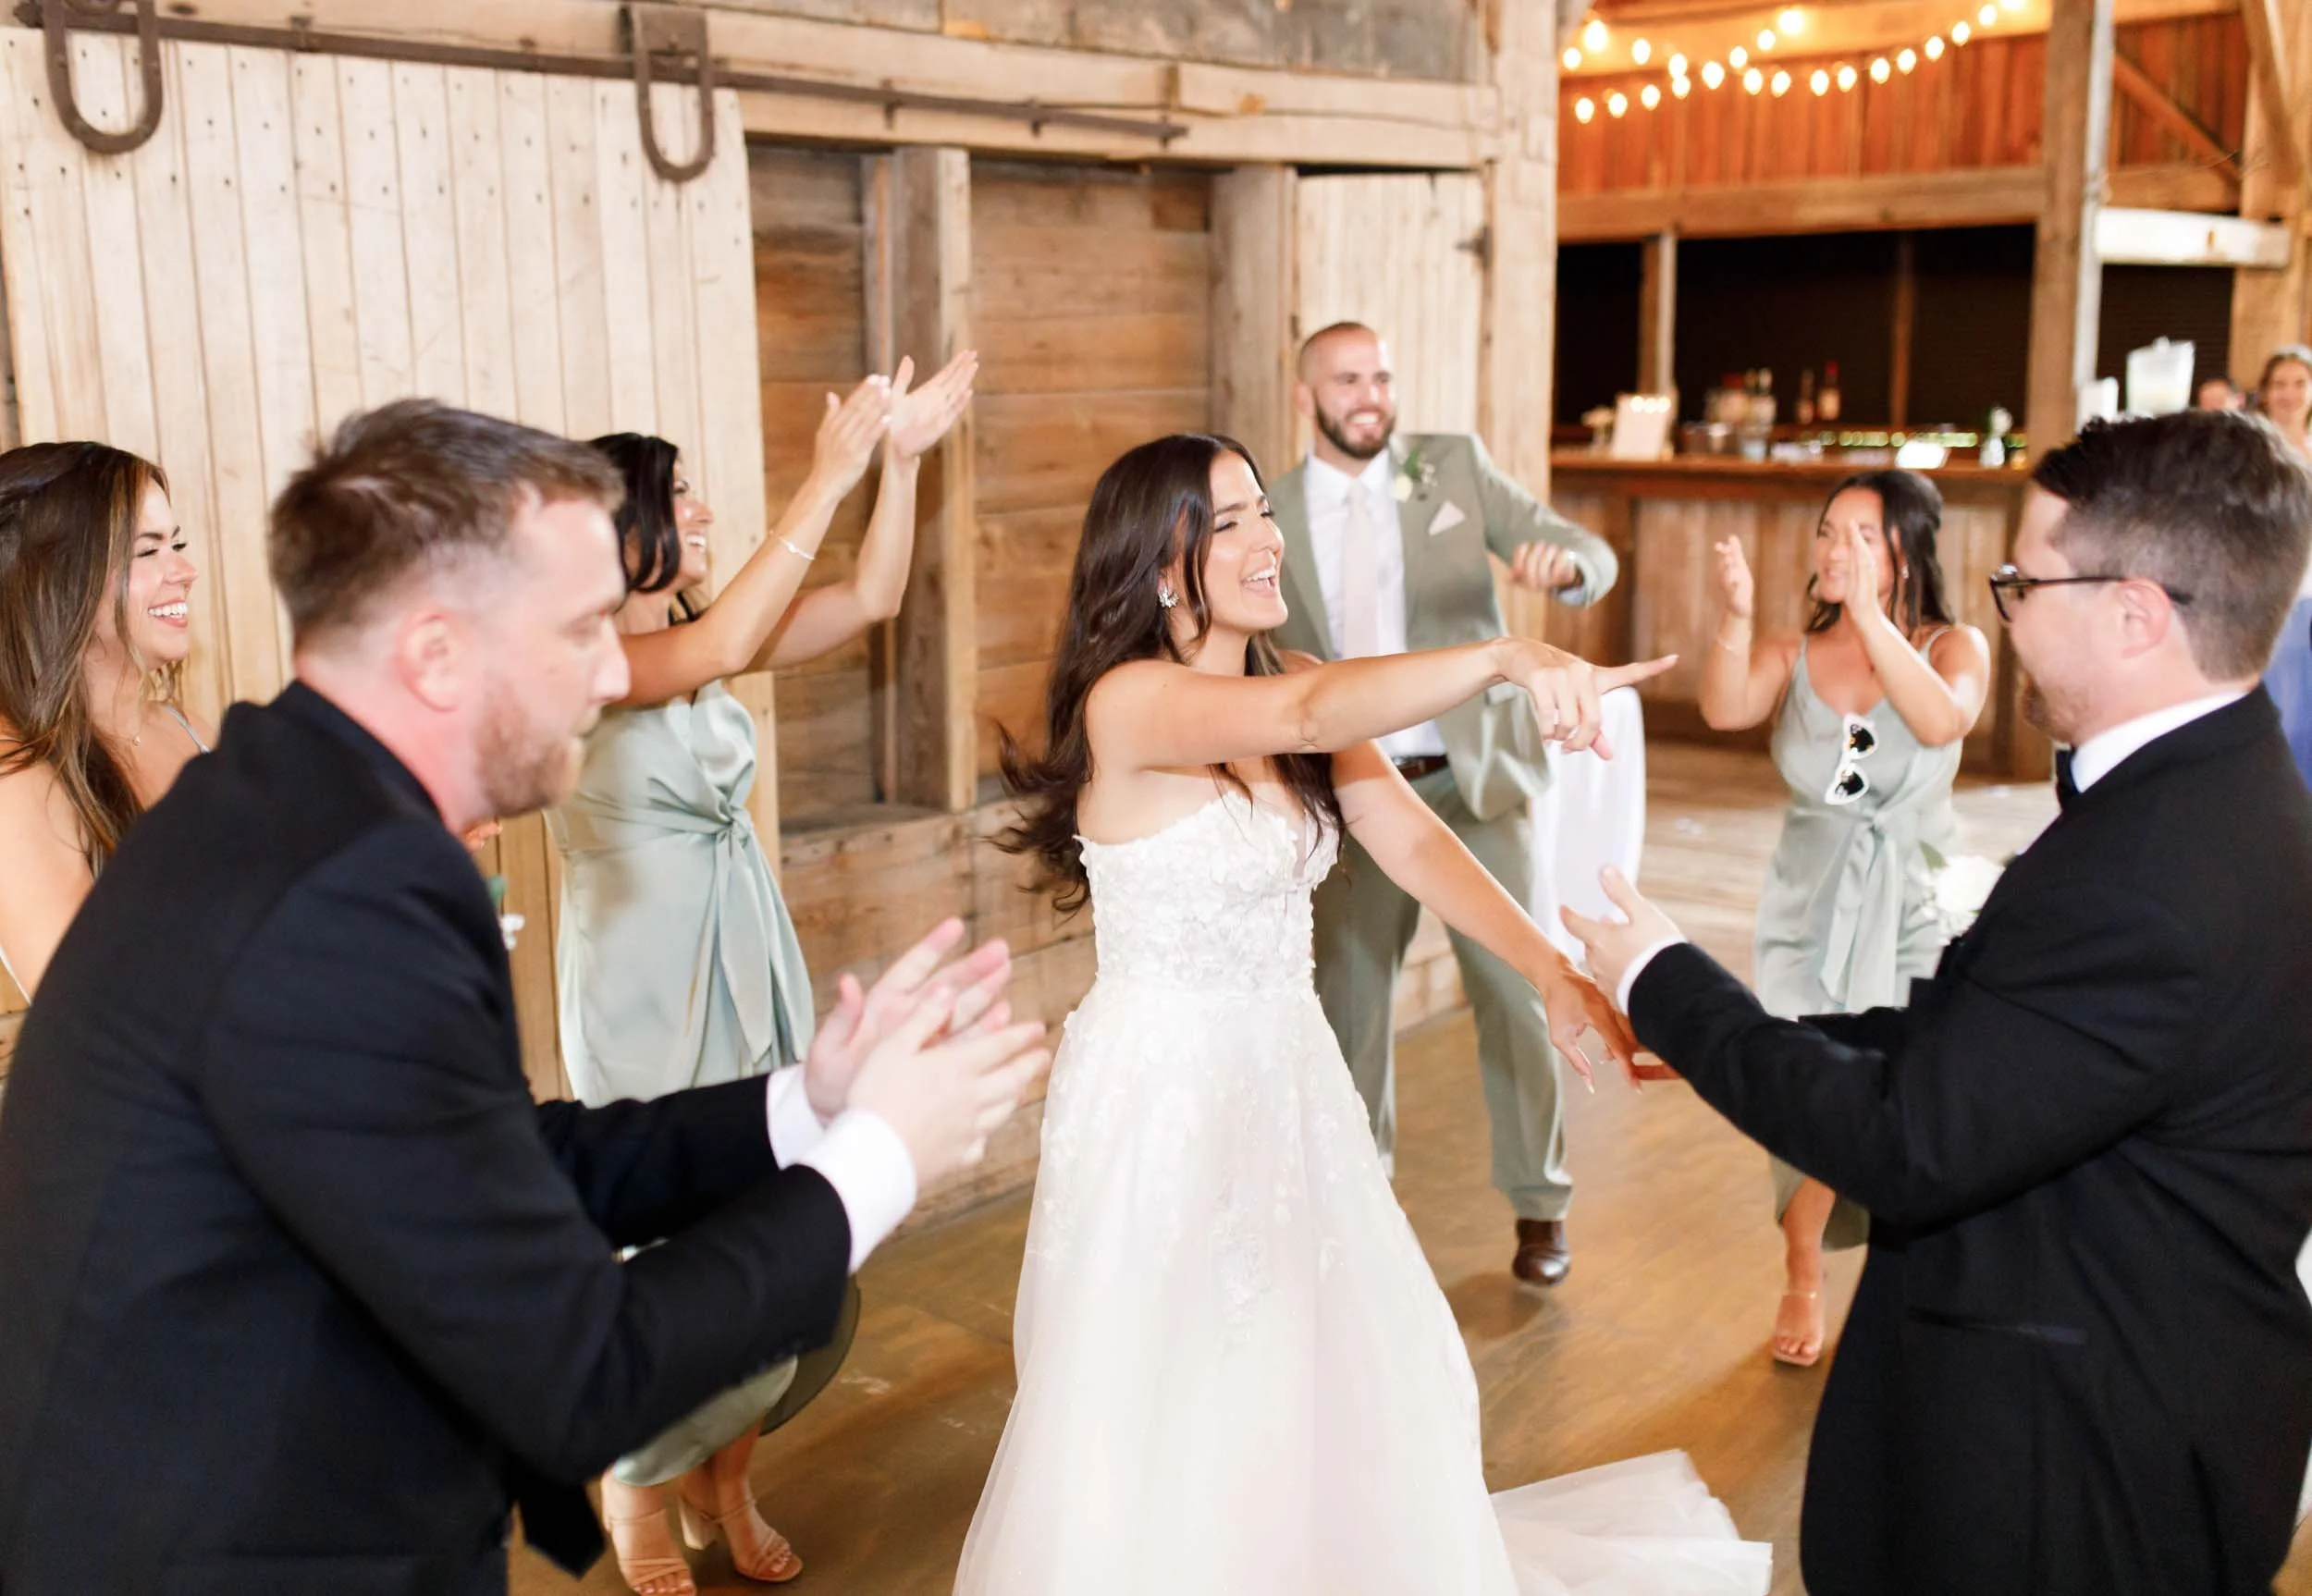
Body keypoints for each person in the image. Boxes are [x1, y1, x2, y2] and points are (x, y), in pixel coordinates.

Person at [0, 399, 1050, 1596]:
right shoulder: (335, 903)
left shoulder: (316, 822)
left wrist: (801, 1103)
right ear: (444, 652)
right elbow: (582, 1366)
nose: (617, 671)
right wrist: (881, 1158)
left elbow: (500, 1154)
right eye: (583, 627)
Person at [955, 433, 1767, 1595]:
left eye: (1259, 511)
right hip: (1164, 1095)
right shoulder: (1132, 701)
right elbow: (1311, 711)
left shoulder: (1284, 678)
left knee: (1327, 1357)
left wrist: (1551, 971)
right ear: (1159, 567)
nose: (1264, 535)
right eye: (1228, 518)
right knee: (1171, 1382)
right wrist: (1500, 652)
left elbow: (1406, 834)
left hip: (1289, 1072)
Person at [1566, 410, 2312, 1596]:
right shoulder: (2205, 800)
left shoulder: (2153, 875)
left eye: (2024, 581)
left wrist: (1663, 978)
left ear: (2135, 613)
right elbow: (1981, 1049)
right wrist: (1736, 1034)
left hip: (2078, 1467)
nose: (2005, 612)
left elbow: (1907, 1138)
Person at [556, 350, 975, 1595]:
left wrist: (896, 467)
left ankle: (723, 1474)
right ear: (616, 522)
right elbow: (737, 630)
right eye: (678, 497)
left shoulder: (693, 628)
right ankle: (633, 1478)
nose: (700, 512)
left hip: (745, 955)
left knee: (793, 1221)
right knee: (682, 1245)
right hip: (641, 984)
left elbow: (873, 597)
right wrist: (825, 472)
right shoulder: (580, 657)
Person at [1264, 321, 1620, 1286]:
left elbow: (1584, 548)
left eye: (1381, 374)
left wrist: (1568, 570)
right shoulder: (1273, 509)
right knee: (1350, 1006)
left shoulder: (1448, 468)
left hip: (1475, 781)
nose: (1371, 394)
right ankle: (1360, 1206)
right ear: (1306, 398)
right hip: (1352, 792)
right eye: (1347, 379)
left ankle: (1540, 1203)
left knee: (1516, 988)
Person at [1696, 471, 1988, 1367]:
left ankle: (1880, 1272)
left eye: (1860, 536)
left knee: (1897, 1081)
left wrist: (1870, 619)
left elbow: (1941, 723)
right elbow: (1722, 707)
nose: (1833, 550)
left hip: (1918, 894)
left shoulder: (1952, 646)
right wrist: (1736, 614)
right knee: (1809, 1081)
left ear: (1905, 550)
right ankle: (1802, 1256)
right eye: (1828, 532)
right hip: (1807, 900)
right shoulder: (1793, 652)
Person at [0, 442, 211, 1000]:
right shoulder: (15, 775)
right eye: (148, 552)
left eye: (177, 544)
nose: (185, 572)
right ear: (61, 580)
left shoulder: (191, 730)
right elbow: (88, 1007)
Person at [2255, 344, 2312, 787]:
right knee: (2276, 711)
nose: (2289, 393)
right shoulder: (2250, 448)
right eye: (2280, 384)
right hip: (2262, 591)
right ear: (2266, 392)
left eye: (2299, 383)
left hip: (2309, 587)